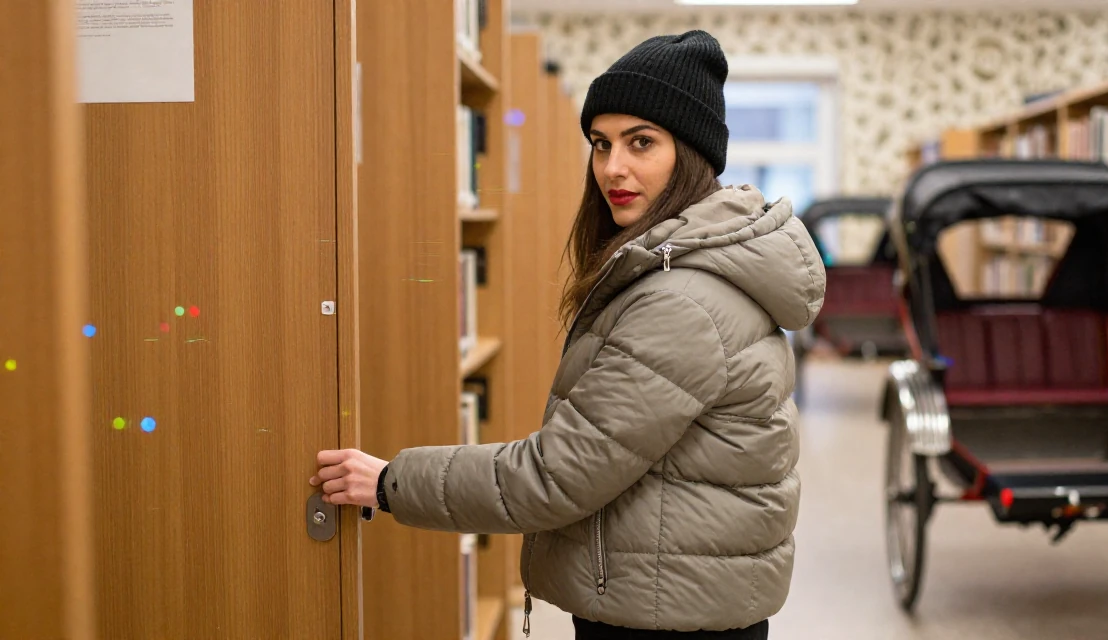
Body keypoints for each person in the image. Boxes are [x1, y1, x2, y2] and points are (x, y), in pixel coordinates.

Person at [311, 29, 826, 639]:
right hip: (679, 592)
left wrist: (391, 481)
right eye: (600, 144)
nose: (614, 168)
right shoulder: (684, 269)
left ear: (692, 154)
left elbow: (555, 477)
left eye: (642, 143)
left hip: (667, 614)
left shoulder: (684, 300)